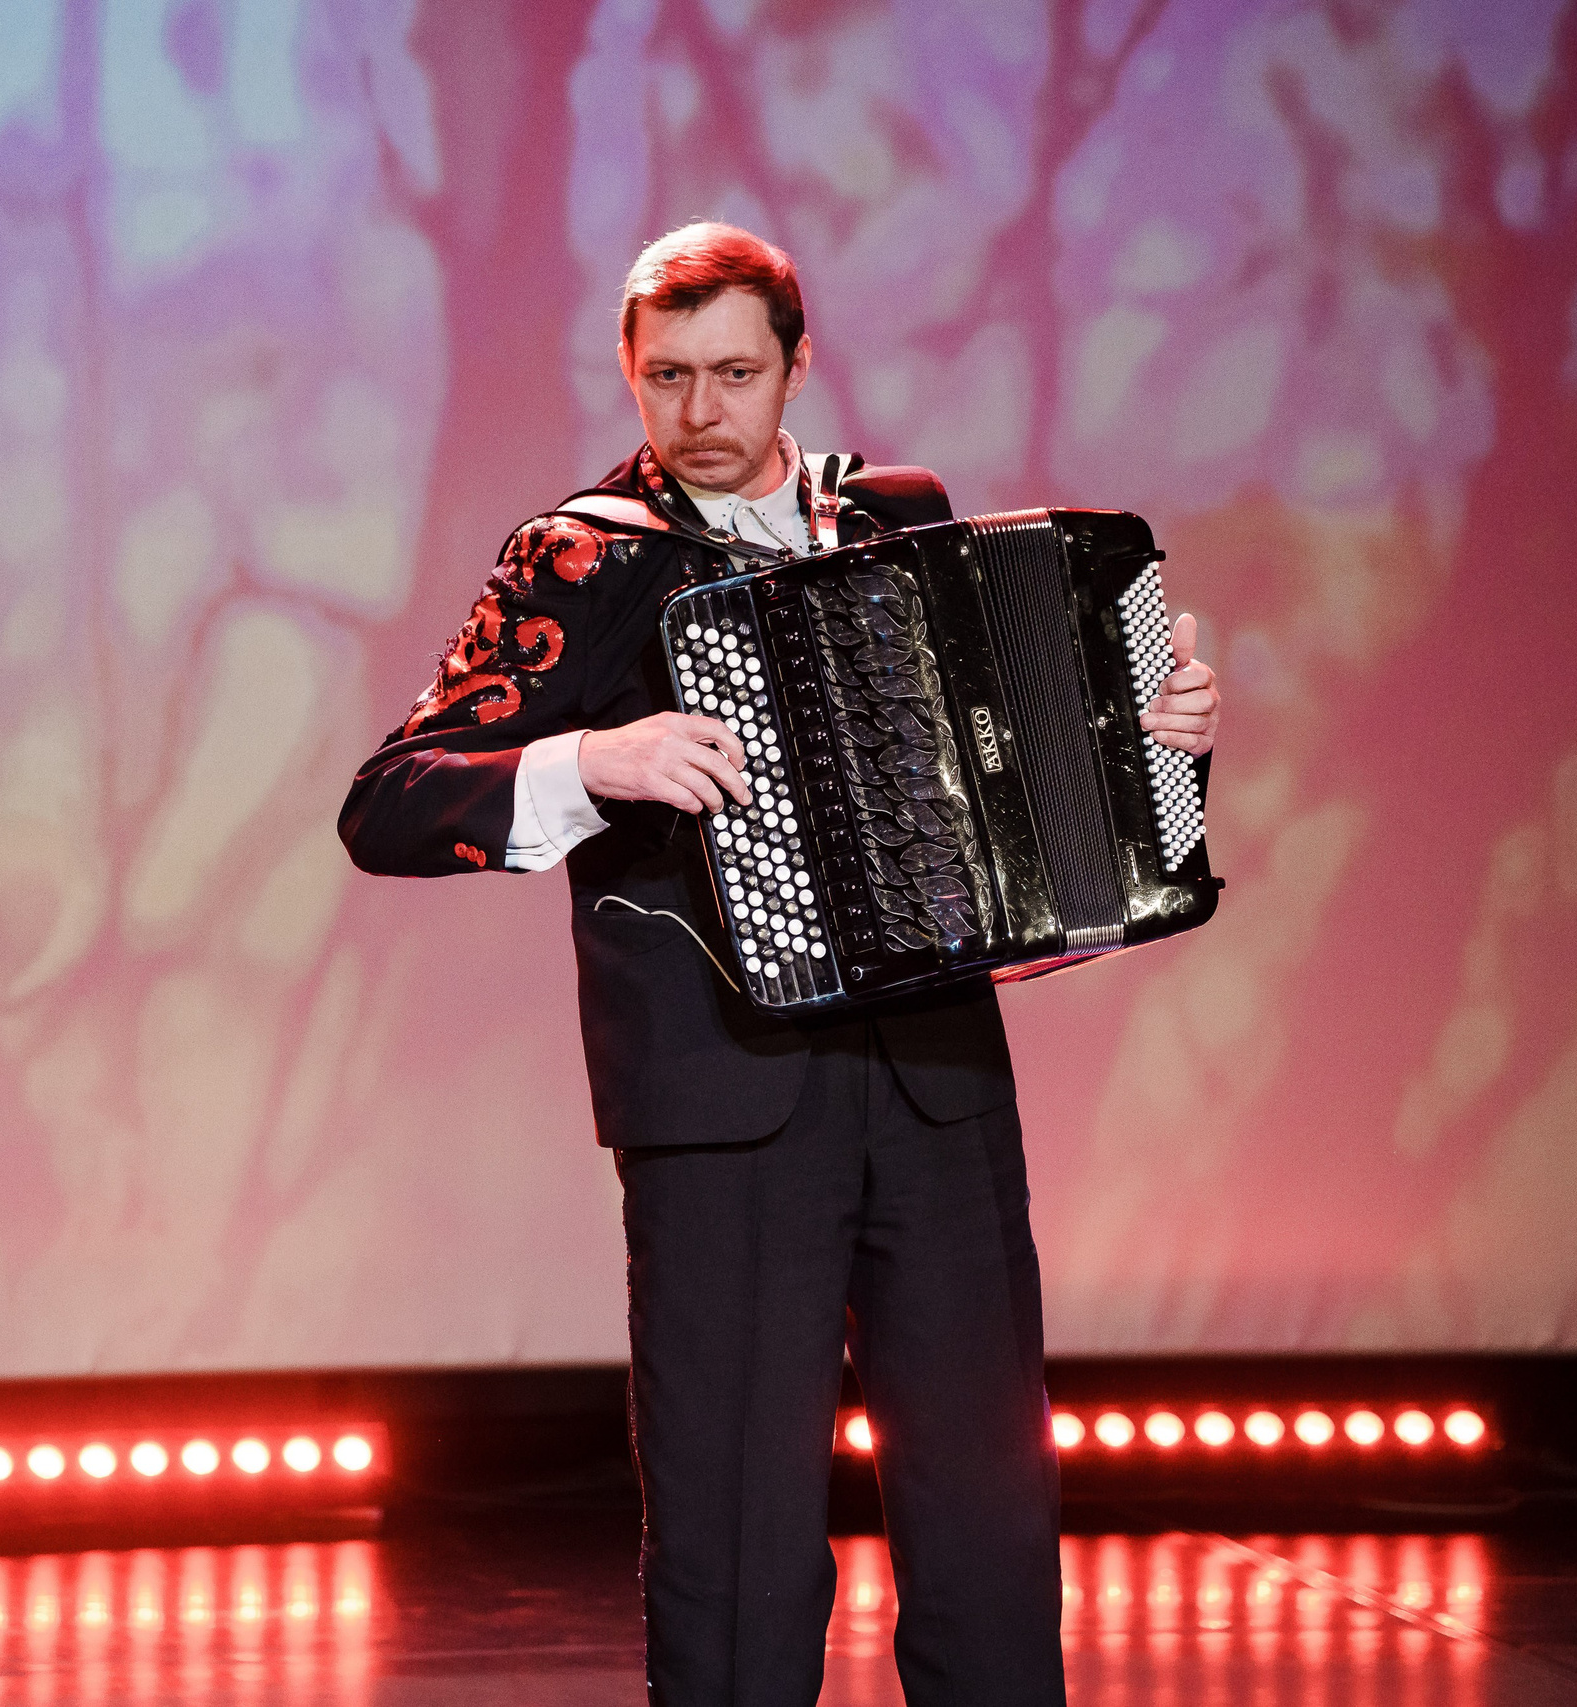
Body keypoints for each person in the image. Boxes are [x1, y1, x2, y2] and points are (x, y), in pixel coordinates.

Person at [340, 222, 1221, 1706]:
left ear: (795, 367)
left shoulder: (899, 516)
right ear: (628, 372)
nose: (699, 412)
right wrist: (592, 760)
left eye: (734, 372)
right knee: (739, 1539)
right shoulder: (577, 559)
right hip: (724, 1099)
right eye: (666, 375)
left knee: (990, 1517)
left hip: (937, 1083)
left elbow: (1016, 774)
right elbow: (389, 801)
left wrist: (1155, 747)